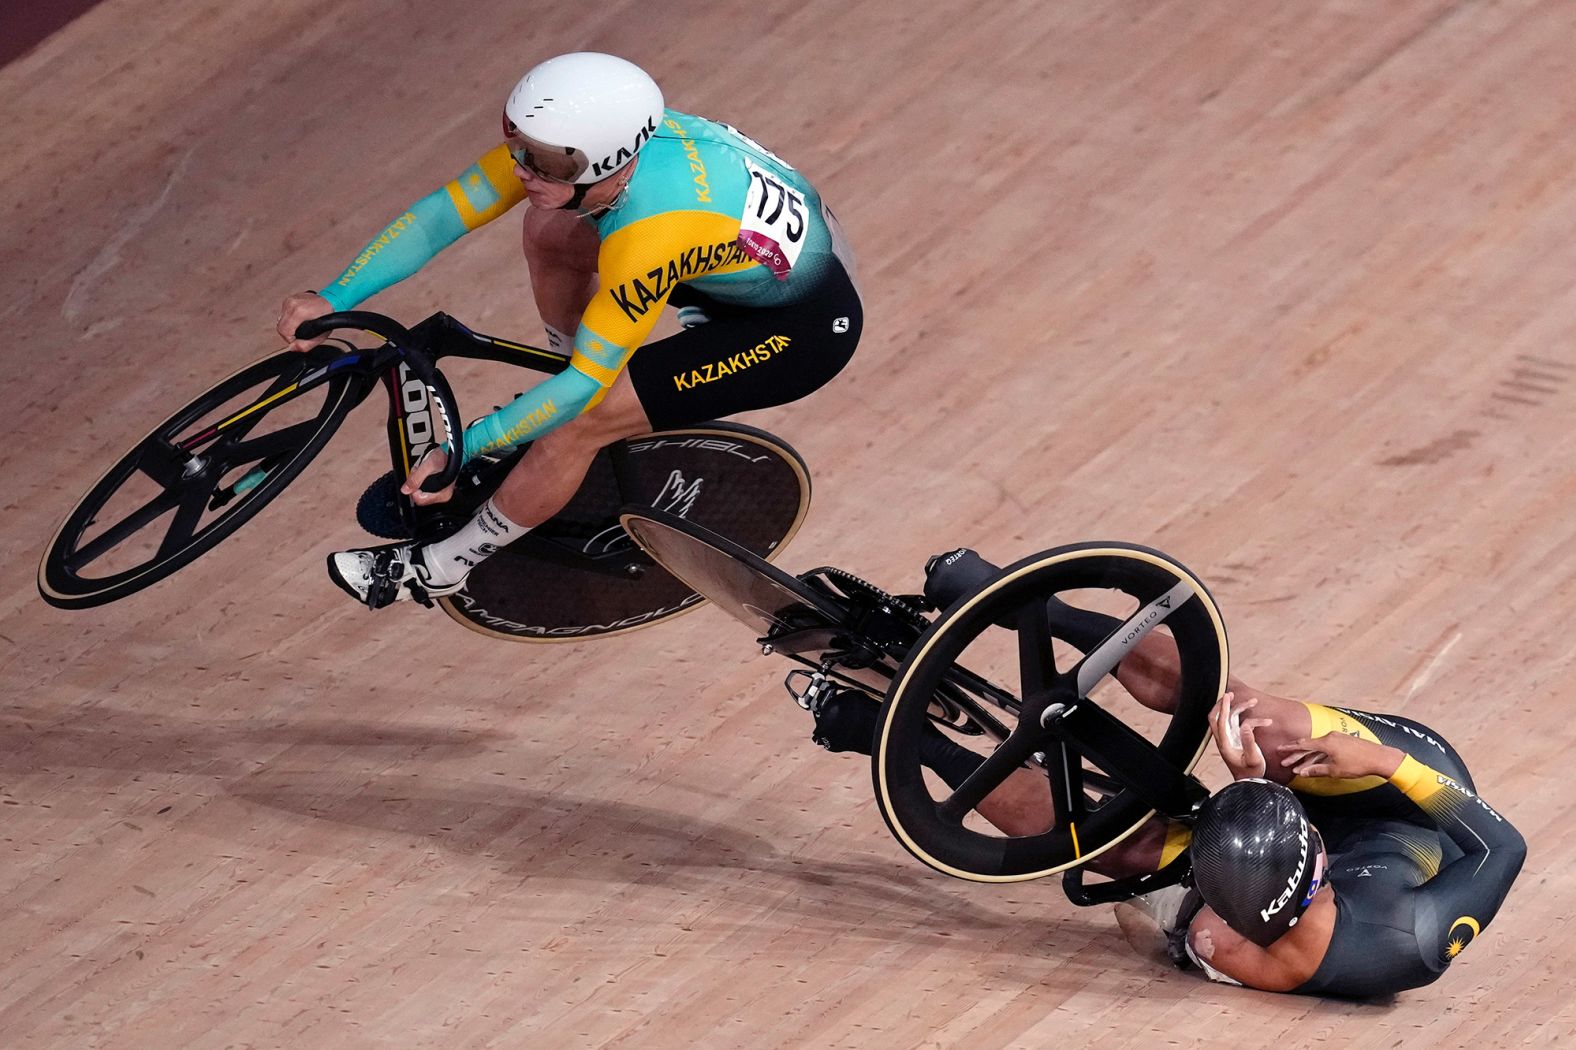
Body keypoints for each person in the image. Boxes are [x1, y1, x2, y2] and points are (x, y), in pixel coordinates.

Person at [276, 52, 862, 608]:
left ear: (614, 160)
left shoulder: (646, 238)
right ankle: (546, 418)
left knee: (577, 419)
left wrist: (472, 444)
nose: (523, 170)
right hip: (732, 260)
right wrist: (334, 294)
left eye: (547, 163)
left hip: (795, 330)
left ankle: (441, 568)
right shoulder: (576, 149)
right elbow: (443, 214)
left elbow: (585, 386)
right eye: (517, 144)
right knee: (548, 227)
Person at [813, 603, 1526, 997]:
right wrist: (1373, 761)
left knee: (1117, 848)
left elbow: (1186, 934)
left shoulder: (1261, 954)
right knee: (1255, 721)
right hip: (1412, 801)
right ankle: (1029, 601)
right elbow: (1504, 845)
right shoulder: (1422, 932)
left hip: (1290, 849)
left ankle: (890, 735)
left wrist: (1160, 902)